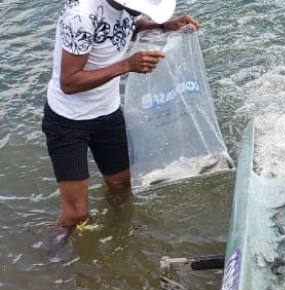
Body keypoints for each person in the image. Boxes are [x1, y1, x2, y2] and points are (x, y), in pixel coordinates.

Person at [41, 0, 199, 230]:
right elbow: (69, 81)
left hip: (108, 113)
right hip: (69, 121)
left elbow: (125, 28)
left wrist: (163, 26)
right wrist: (127, 65)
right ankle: (51, 262)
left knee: (121, 186)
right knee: (76, 215)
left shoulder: (123, 7)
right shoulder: (81, 16)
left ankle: (120, 243)